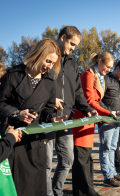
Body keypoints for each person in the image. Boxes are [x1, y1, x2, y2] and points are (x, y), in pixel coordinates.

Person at [0, 39, 67, 196]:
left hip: (36, 141)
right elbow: (0, 104)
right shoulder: (12, 75)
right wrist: (17, 113)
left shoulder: (50, 82)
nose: (49, 66)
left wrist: (52, 119)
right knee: (19, 187)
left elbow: (47, 110)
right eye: (48, 61)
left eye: (53, 63)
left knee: (37, 186)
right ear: (38, 55)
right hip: (15, 139)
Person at [46, 26, 97, 196]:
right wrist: (49, 101)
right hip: (46, 120)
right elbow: (36, 85)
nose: (74, 48)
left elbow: (77, 92)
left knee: (67, 160)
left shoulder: (73, 63)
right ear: (62, 37)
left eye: (76, 45)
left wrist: (87, 109)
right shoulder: (47, 58)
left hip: (66, 119)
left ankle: (57, 191)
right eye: (72, 43)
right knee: (46, 164)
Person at [71, 52, 114, 196]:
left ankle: (85, 190)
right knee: (81, 158)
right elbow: (89, 101)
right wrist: (108, 113)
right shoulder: (88, 75)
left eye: (110, 68)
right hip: (81, 120)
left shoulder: (98, 76)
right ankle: (85, 191)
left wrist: (106, 112)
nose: (109, 70)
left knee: (87, 157)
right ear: (100, 61)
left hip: (89, 120)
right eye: (108, 66)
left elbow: (96, 101)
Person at [99, 60, 120, 187]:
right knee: (106, 148)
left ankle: (112, 172)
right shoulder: (105, 80)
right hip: (107, 119)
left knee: (113, 147)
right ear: (117, 69)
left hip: (117, 118)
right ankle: (107, 177)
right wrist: (108, 112)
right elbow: (98, 100)